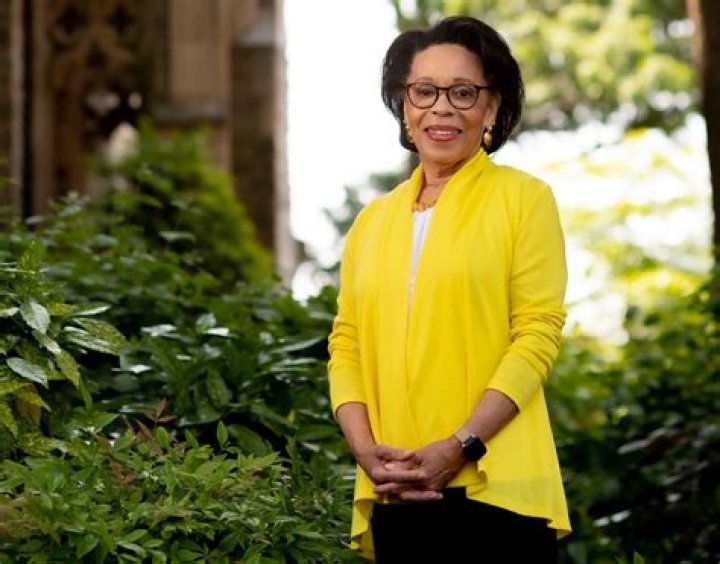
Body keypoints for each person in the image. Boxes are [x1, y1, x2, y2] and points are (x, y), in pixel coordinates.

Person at [328, 15, 569, 563]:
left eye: (463, 93)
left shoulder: (524, 200)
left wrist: (462, 444)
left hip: (499, 493)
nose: (441, 108)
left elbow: (536, 335)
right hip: (395, 488)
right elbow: (347, 345)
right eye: (424, 91)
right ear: (404, 105)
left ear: (492, 108)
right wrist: (366, 451)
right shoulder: (371, 222)